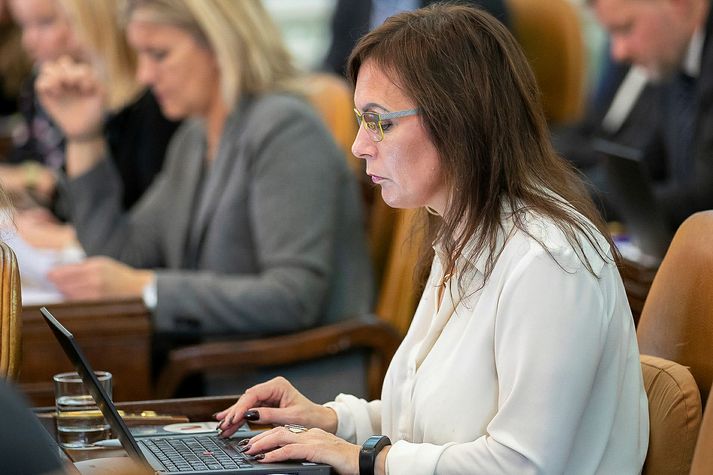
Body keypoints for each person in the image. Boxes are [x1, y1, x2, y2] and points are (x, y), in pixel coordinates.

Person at [215, 5, 648, 474]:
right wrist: (331, 419)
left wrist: (362, 459)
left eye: (379, 121)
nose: (359, 144)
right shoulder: (464, 230)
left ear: (457, 119)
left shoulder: (550, 261)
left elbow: (520, 465)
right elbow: (434, 423)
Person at [36, 0, 372, 392]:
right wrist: (84, 137)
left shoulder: (285, 129)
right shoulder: (195, 139)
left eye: (158, 54)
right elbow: (120, 254)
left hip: (298, 391)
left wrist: (145, 287)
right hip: (227, 383)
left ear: (220, 44)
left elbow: (294, 296)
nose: (145, 74)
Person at [3, 0, 178, 222]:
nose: (28, 41)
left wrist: (66, 234)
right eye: (24, 26)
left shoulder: (150, 106)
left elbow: (142, 233)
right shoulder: (42, 85)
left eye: (46, 22)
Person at [589, 0, 713, 229]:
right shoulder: (674, 55)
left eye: (625, 28)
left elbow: (702, 198)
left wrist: (582, 201)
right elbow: (648, 158)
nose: (618, 53)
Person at [323, 0, 510, 76]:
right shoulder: (352, 3)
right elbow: (335, 61)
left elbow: (490, 69)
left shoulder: (474, 5)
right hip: (367, 112)